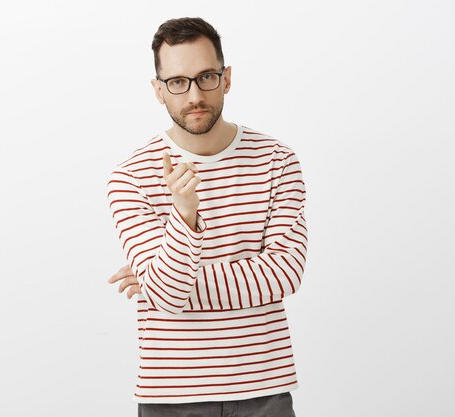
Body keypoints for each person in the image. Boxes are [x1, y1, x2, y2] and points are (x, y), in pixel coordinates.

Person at [106, 17, 307, 417]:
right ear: (158, 91)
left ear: (227, 78)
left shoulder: (277, 161)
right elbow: (165, 297)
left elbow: (286, 273)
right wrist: (185, 218)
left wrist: (161, 277)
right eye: (178, 82)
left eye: (207, 77)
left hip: (264, 389)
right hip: (171, 396)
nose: (194, 94)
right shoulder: (130, 177)